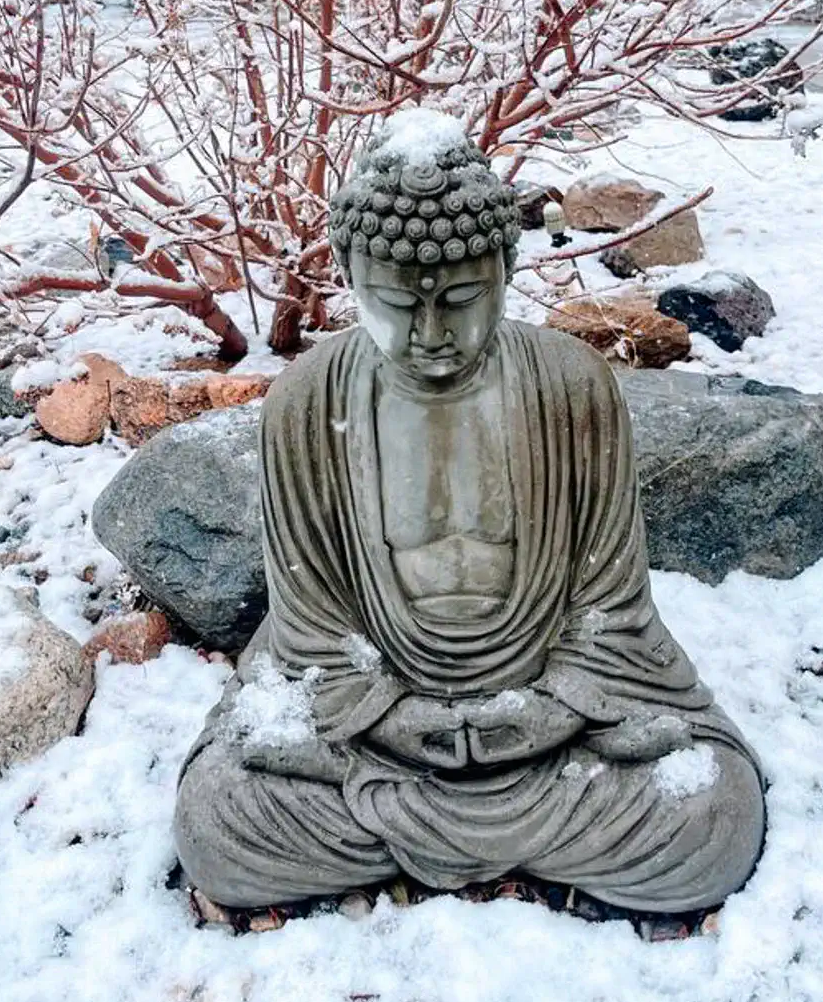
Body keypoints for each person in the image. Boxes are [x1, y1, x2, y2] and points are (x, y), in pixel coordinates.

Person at [174, 110, 765, 913]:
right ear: (350, 277)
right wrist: (388, 715)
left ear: (505, 267)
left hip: (554, 709)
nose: (430, 333)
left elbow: (608, 603)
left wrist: (555, 708)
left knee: (709, 817)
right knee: (221, 824)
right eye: (394, 303)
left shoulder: (569, 385)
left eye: (458, 298)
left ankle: (411, 843)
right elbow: (312, 623)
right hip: (375, 720)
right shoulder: (306, 402)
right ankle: (496, 840)